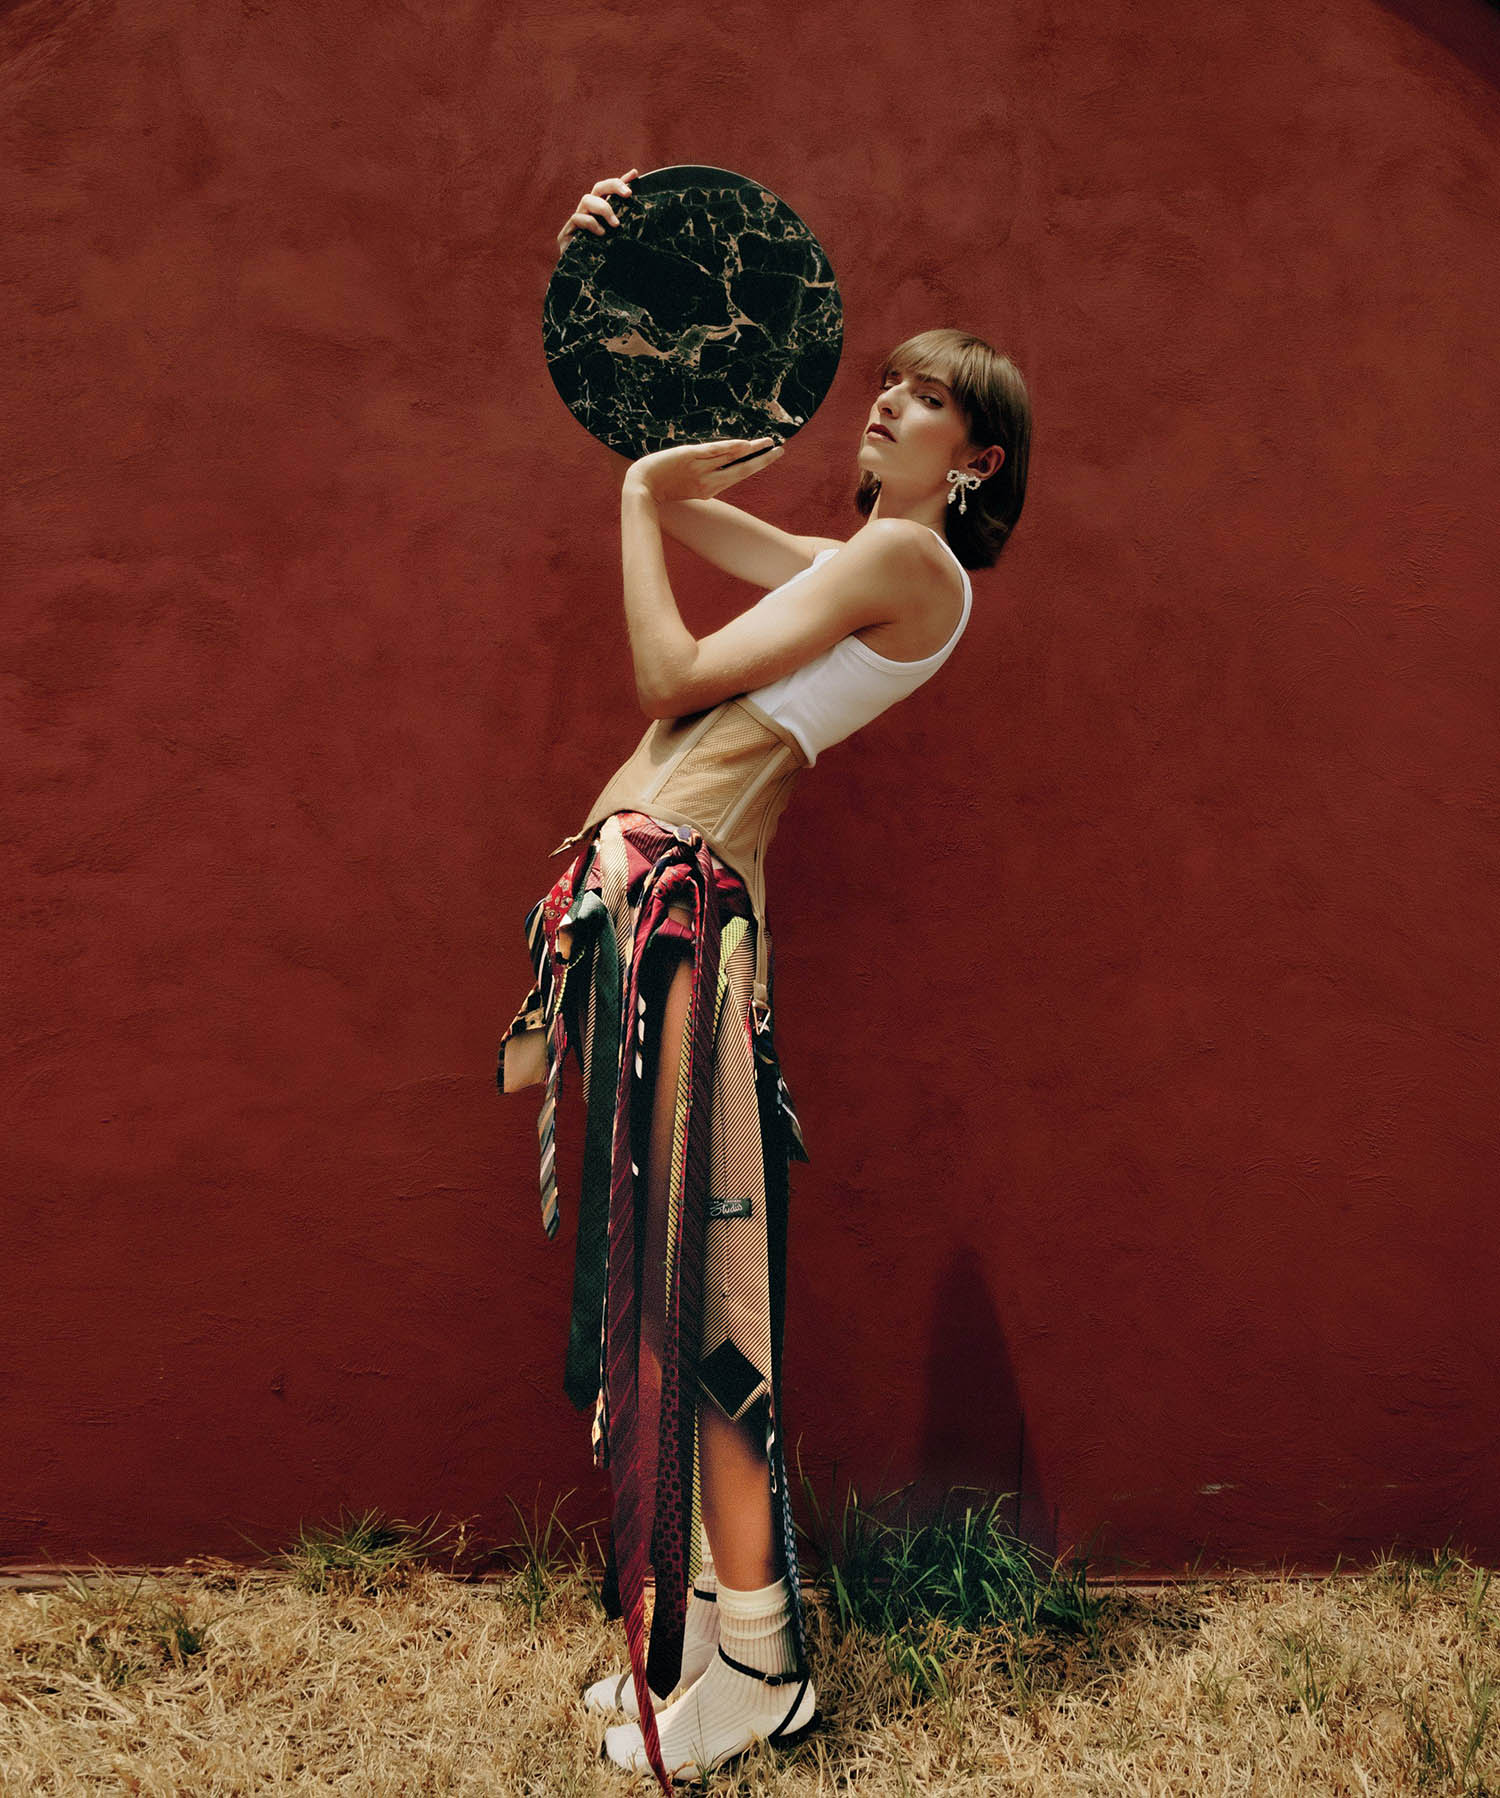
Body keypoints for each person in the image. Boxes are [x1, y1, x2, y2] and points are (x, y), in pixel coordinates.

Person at [498, 168, 1031, 1790]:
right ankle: (708, 1649)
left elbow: (667, 662)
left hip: (689, 918)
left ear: (977, 457)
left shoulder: (912, 572)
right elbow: (682, 498)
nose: (882, 407)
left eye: (922, 400)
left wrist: (629, 505)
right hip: (660, 913)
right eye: (886, 385)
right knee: (678, 1297)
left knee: (711, 1300)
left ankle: (760, 1666)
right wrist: (622, 281)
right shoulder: (852, 561)